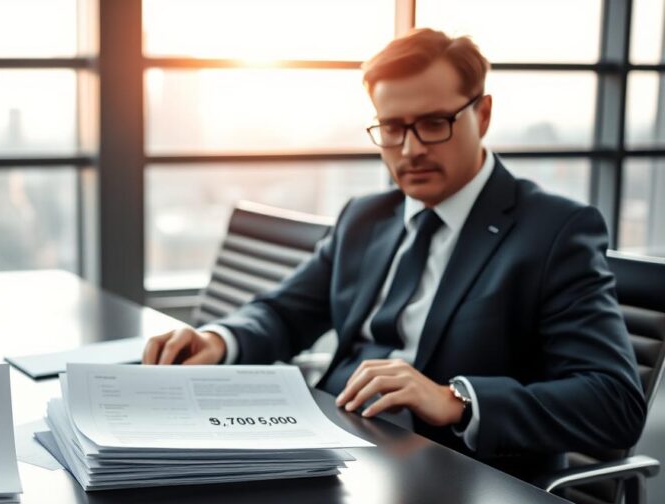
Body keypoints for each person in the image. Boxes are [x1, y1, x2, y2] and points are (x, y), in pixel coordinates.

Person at [142, 28, 645, 477]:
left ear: (483, 114)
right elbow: (283, 312)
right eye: (392, 128)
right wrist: (219, 340)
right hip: (333, 448)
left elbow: (614, 404)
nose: (409, 150)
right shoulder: (366, 216)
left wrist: (457, 400)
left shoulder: (554, 232)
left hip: (450, 482)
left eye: (433, 124)